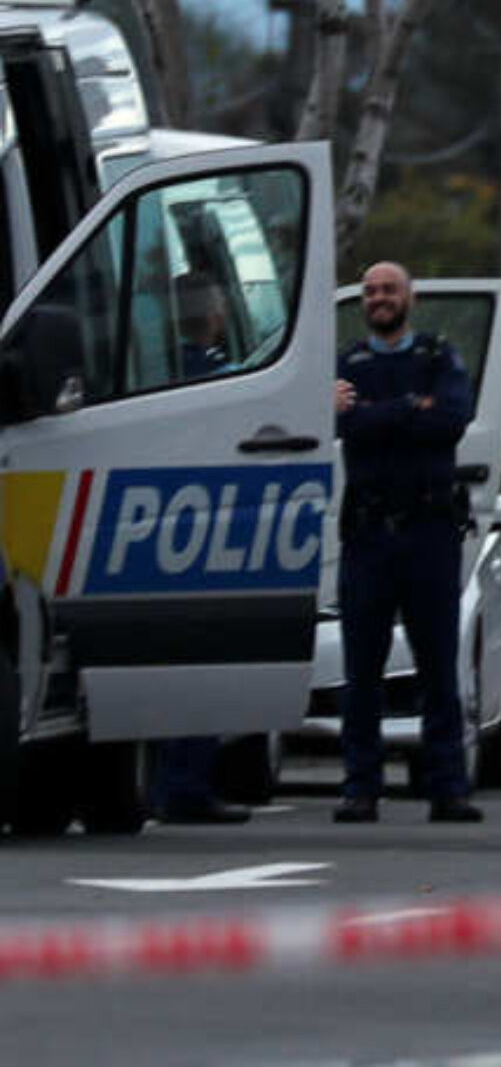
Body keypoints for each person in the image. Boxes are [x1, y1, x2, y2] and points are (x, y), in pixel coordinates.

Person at [332, 260, 481, 824]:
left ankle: (447, 787)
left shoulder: (438, 357)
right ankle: (361, 787)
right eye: (370, 291)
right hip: (369, 535)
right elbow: (348, 427)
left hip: (428, 533)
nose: (379, 298)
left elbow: (451, 420)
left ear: (410, 297)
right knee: (362, 670)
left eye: (389, 289)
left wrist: (375, 414)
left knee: (438, 667)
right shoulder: (347, 362)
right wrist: (408, 411)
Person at [150, 270, 250, 825]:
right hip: (208, 525)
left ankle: (171, 781)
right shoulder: (222, 374)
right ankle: (186, 784)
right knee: (204, 655)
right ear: (215, 317)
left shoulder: (155, 368)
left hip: (154, 522)